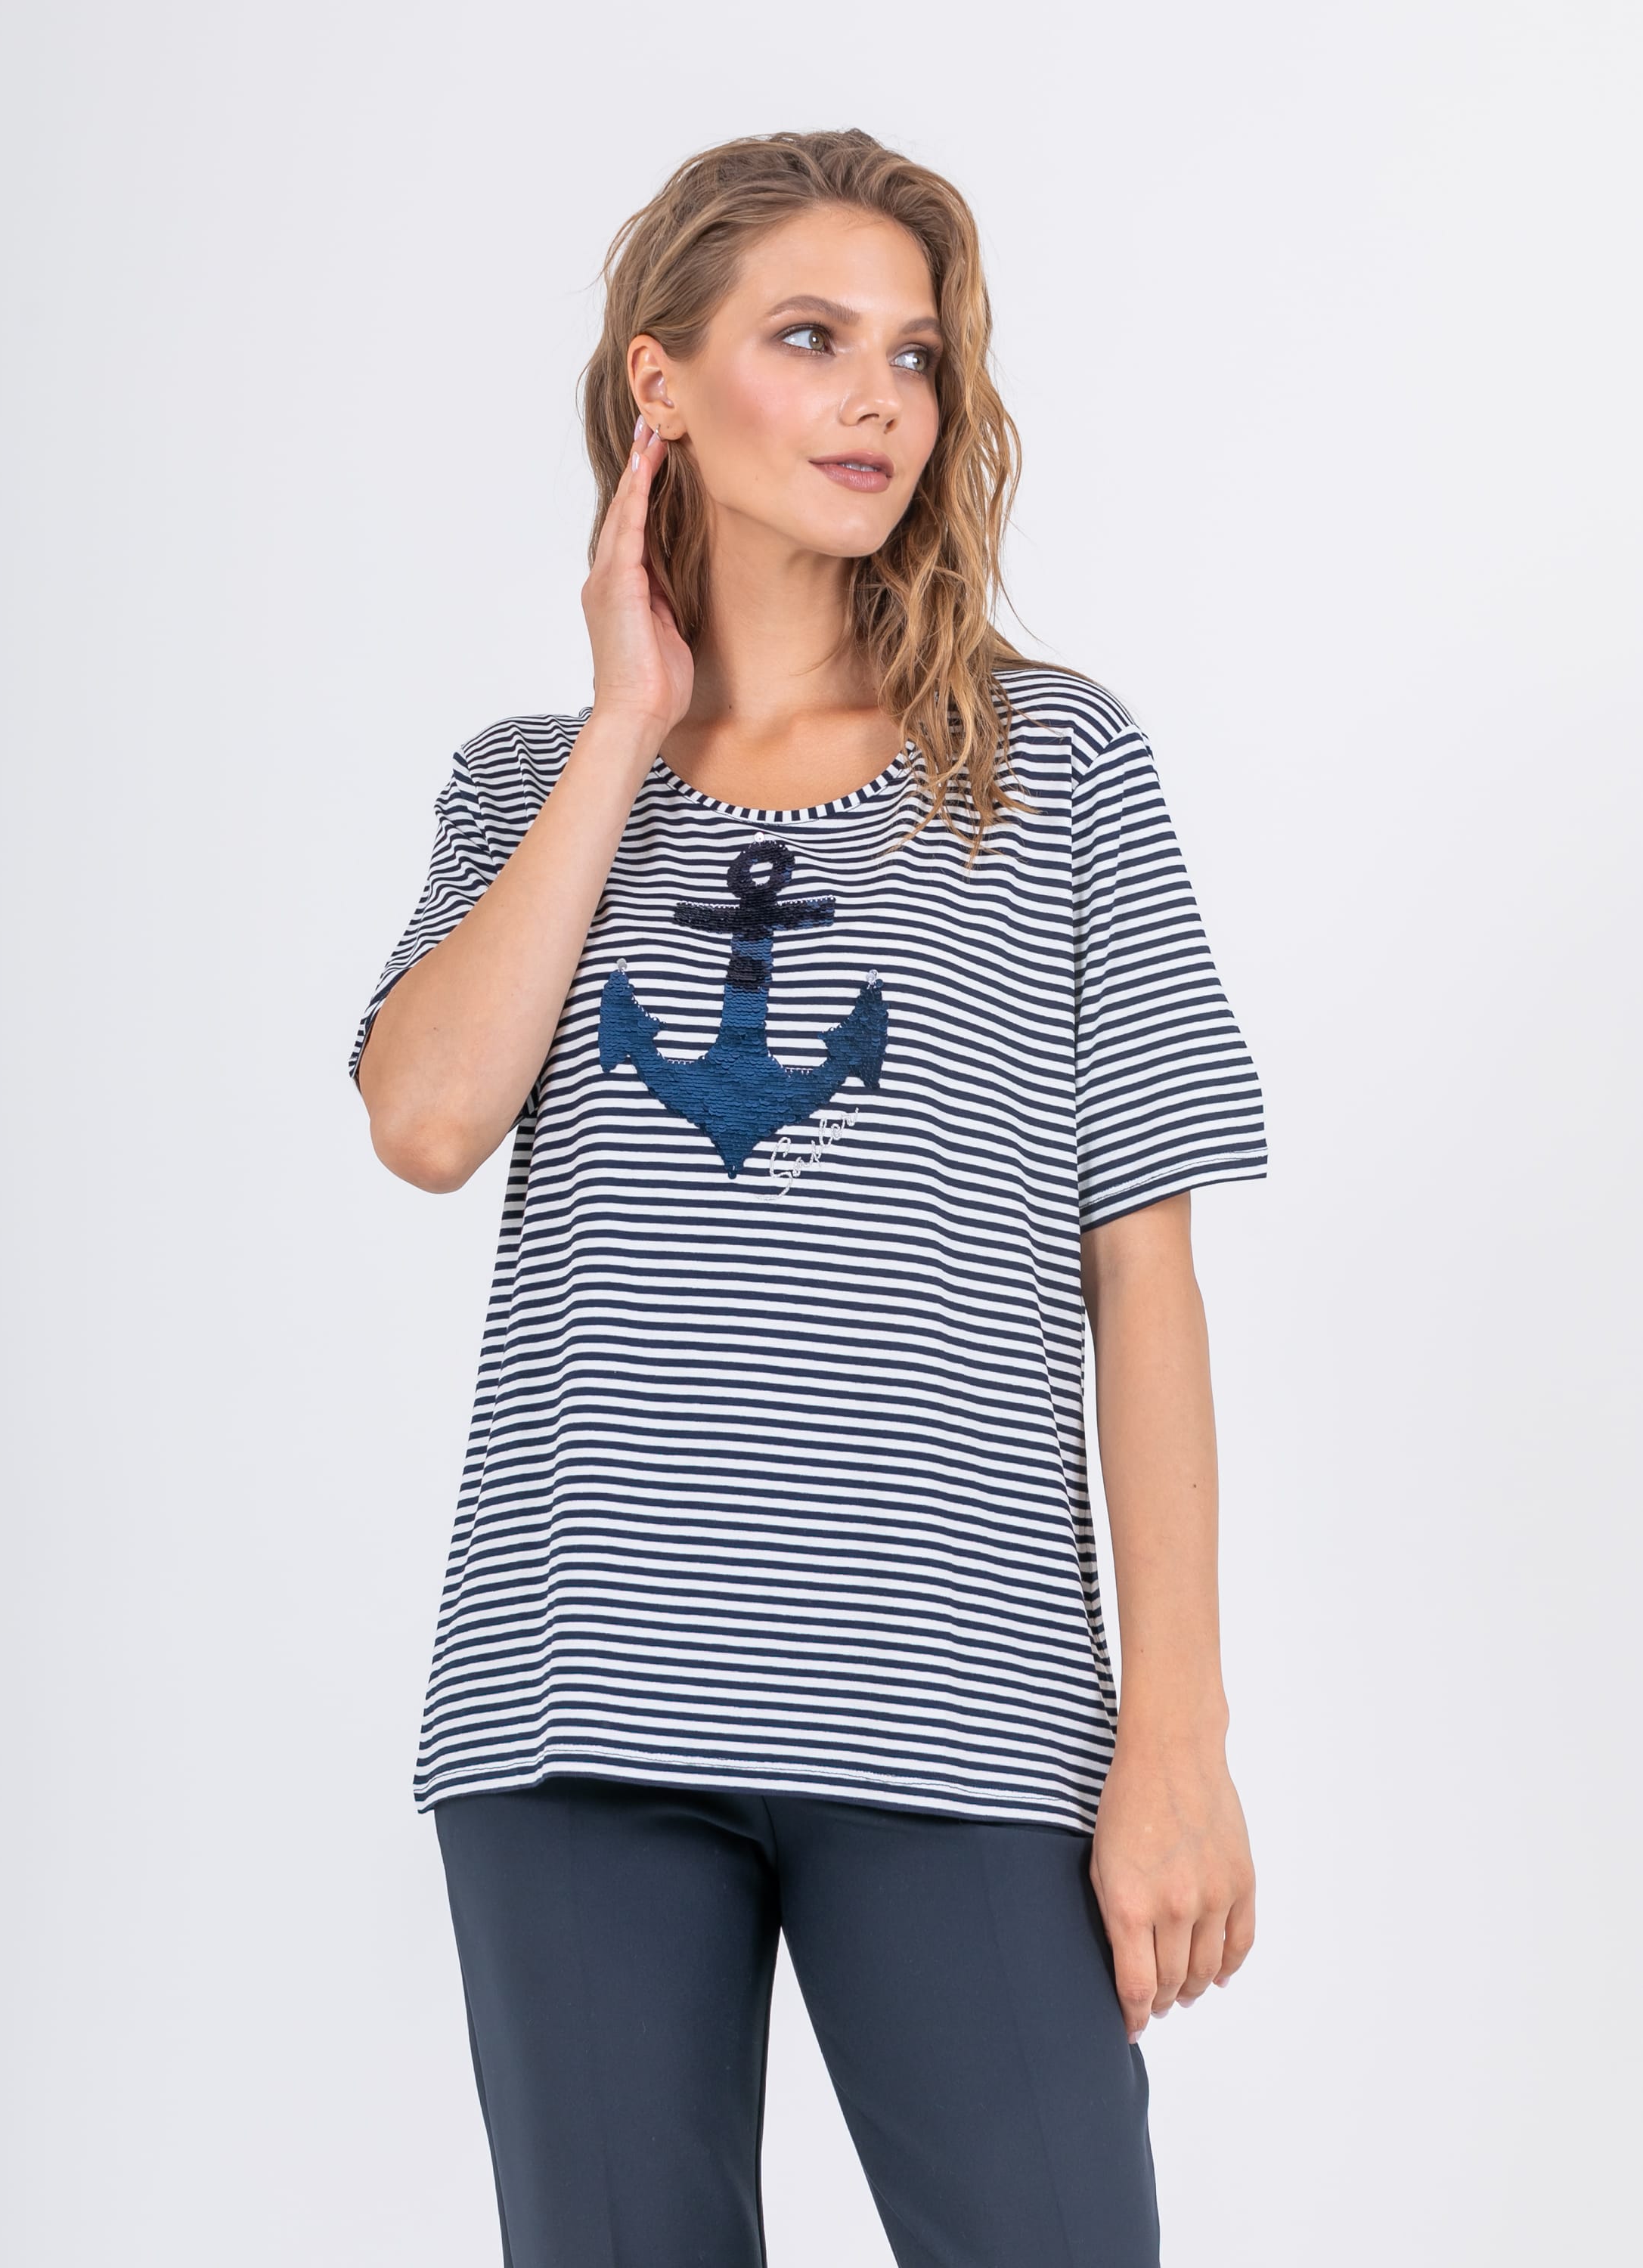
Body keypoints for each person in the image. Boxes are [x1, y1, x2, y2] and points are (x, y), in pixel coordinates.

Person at [349, 127, 1269, 2268]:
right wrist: (623, 724)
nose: (880, 400)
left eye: (915, 355)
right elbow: (427, 1119)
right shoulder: (521, 783)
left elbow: (1141, 1273)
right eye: (811, 338)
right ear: (659, 383)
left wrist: (1177, 1736)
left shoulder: (1052, 766)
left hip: (960, 1697)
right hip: (575, 1694)